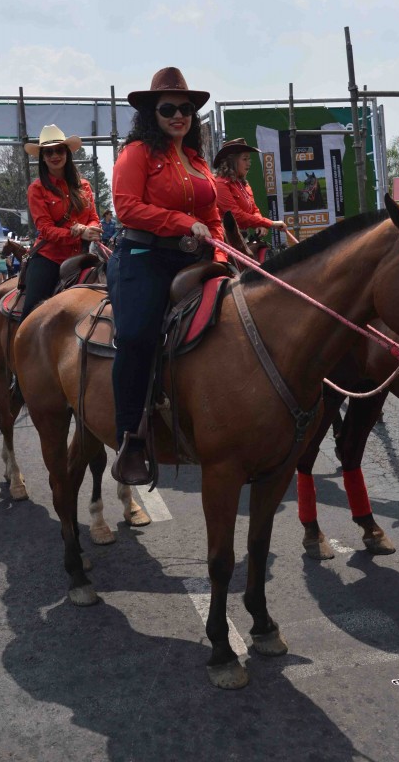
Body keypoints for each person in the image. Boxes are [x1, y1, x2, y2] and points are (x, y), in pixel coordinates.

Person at [108, 66, 227, 485]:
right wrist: (182, 222)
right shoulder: (137, 153)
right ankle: (130, 440)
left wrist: (220, 248)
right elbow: (126, 208)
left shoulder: (197, 160)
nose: (179, 116)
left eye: (186, 109)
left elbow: (212, 214)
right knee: (136, 336)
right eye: (169, 109)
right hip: (144, 257)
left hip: (194, 260)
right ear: (152, 113)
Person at [21, 124, 101, 321]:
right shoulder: (36, 189)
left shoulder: (84, 185)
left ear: (67, 153)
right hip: (50, 258)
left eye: (59, 150)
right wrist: (77, 233)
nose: (55, 155)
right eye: (48, 152)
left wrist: (89, 228)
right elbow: (45, 229)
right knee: (31, 314)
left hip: (83, 257)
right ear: (43, 157)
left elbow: (93, 217)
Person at [214, 138, 289, 239]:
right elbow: (235, 215)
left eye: (249, 159)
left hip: (241, 238)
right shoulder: (220, 184)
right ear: (231, 161)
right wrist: (270, 223)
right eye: (245, 159)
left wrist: (259, 224)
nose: (249, 163)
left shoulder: (244, 184)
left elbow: (254, 210)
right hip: (224, 239)